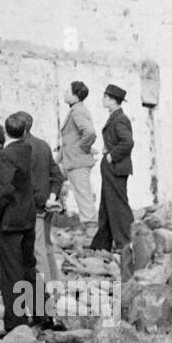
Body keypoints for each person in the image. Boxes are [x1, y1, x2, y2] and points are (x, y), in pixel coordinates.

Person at [0, 113, 38, 332]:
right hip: (28, 217)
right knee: (29, 267)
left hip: (10, 220)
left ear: (5, 130)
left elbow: (5, 190)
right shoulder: (26, 149)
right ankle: (42, 313)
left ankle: (16, 322)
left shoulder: (6, 155)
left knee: (11, 272)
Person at [20, 111, 65, 293]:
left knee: (37, 250)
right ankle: (57, 287)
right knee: (47, 247)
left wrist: (43, 201)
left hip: (36, 207)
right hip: (48, 206)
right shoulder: (43, 145)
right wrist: (52, 198)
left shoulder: (21, 149)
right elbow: (57, 177)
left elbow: (28, 182)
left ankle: (46, 293)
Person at [91, 83, 135, 251]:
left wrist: (111, 155)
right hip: (113, 166)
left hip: (116, 167)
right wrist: (107, 149)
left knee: (118, 204)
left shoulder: (120, 119)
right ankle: (101, 243)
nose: (103, 99)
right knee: (107, 203)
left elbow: (128, 142)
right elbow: (118, 140)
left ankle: (127, 242)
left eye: (106, 97)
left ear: (113, 101)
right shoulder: (115, 117)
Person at [59, 81, 98, 226]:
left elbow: (90, 132)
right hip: (71, 160)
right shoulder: (75, 110)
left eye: (68, 92)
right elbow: (70, 139)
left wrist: (83, 148)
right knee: (80, 194)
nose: (65, 93)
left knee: (83, 196)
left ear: (76, 97)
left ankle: (90, 231)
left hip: (78, 161)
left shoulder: (78, 111)